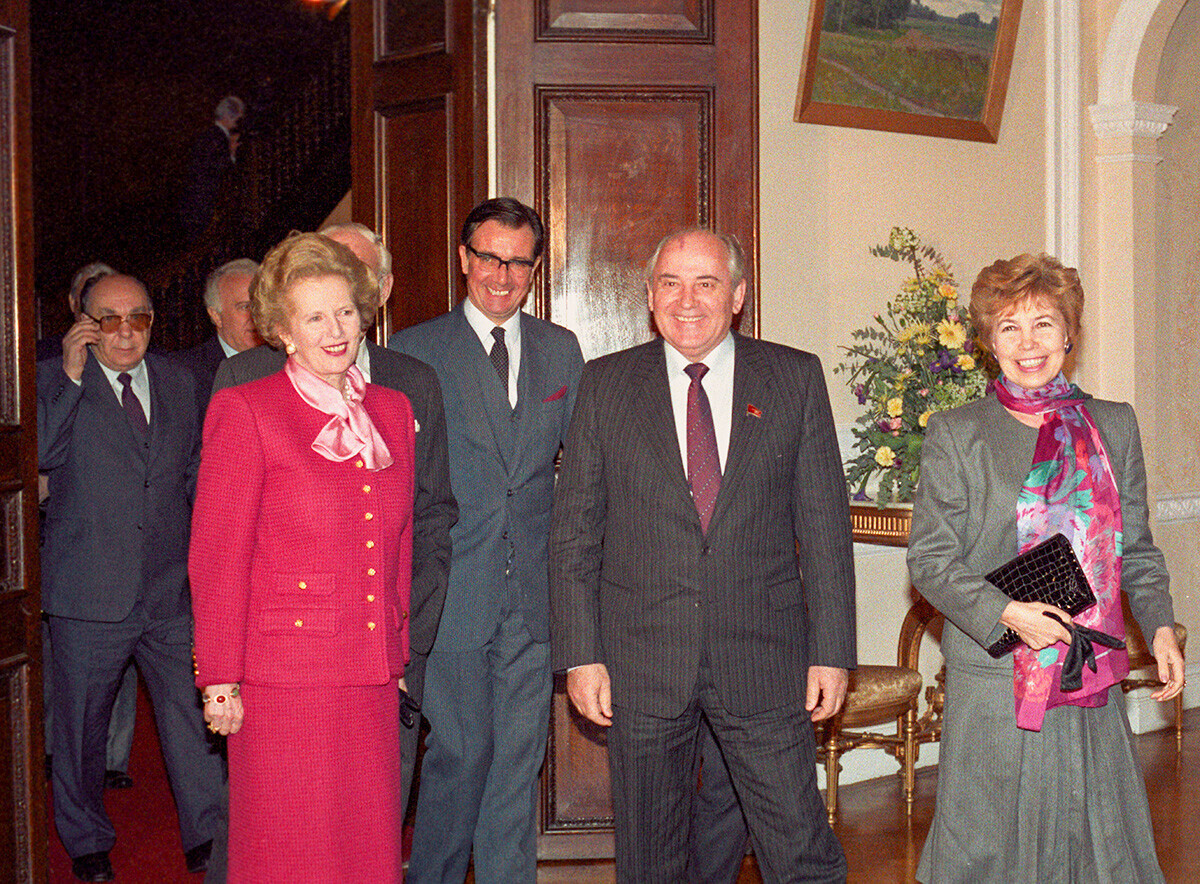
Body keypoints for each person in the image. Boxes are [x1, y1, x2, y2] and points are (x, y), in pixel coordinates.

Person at [550, 228, 856, 883]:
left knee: (800, 849)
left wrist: (831, 650)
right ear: (651, 296)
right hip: (642, 664)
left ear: (738, 295)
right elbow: (575, 535)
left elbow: (825, 529)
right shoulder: (605, 386)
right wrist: (581, 654)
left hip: (766, 659)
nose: (687, 300)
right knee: (650, 859)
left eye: (706, 283)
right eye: (670, 283)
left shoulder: (793, 378)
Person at [907, 253, 1186, 883]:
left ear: (1069, 334)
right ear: (988, 343)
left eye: (1042, 324)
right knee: (988, 848)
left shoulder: (1113, 425)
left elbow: (1135, 548)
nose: (1028, 344)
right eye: (1009, 328)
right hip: (997, 676)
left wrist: (1162, 627)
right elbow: (929, 558)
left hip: (1087, 670)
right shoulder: (958, 432)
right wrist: (1007, 613)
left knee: (1094, 845)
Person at [190, 232, 417, 882]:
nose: (335, 329)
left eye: (345, 310)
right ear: (283, 331)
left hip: (368, 675)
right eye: (315, 316)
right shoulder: (247, 410)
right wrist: (221, 677)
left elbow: (400, 543)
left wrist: (394, 653)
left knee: (365, 850)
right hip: (284, 681)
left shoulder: (392, 412)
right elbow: (218, 556)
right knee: (292, 851)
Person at [389, 197, 584, 883]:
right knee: (461, 754)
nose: (503, 276)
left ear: (535, 269)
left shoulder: (561, 349)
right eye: (490, 259)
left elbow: (582, 475)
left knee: (516, 763)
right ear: (465, 259)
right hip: (451, 595)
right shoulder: (413, 350)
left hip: (533, 595)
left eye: (519, 263)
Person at [38, 273, 226, 882]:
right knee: (81, 731)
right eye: (109, 318)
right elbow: (35, 453)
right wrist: (68, 376)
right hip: (89, 593)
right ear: (83, 322)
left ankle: (208, 833)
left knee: (191, 719)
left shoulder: (177, 380)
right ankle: (86, 839)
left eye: (138, 318)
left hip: (169, 590)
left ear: (153, 321)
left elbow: (195, 471)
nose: (125, 332)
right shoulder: (52, 379)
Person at [173, 258, 262, 414]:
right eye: (245, 307)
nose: (255, 316)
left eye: (260, 305)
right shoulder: (185, 374)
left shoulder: (288, 361)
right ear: (216, 316)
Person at [180, 96, 244, 243]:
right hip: (206, 201)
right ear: (227, 116)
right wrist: (231, 154)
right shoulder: (218, 137)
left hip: (199, 201)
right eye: (236, 118)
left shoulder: (210, 135)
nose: (237, 124)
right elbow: (217, 169)